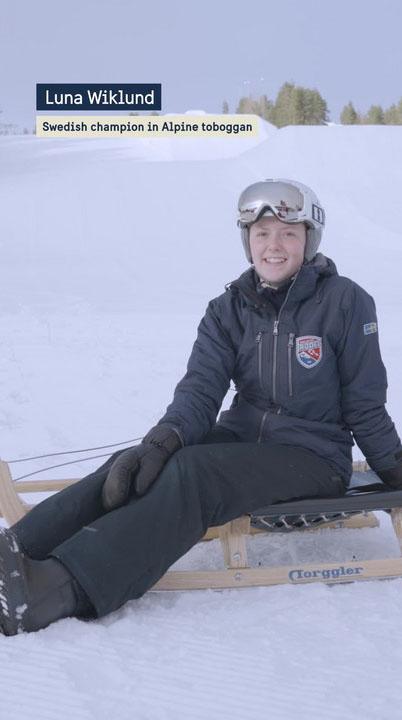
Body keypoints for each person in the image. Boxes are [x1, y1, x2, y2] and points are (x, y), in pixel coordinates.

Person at [1, 178, 401, 636]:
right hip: (242, 438)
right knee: (135, 463)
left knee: (195, 471)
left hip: (312, 455)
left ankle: (55, 590)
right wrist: (161, 441)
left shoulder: (345, 301)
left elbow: (364, 400)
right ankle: (17, 548)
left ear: (309, 240)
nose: (274, 245)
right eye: (262, 234)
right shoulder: (227, 308)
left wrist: (392, 465)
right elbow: (199, 391)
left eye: (288, 233)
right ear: (247, 242)